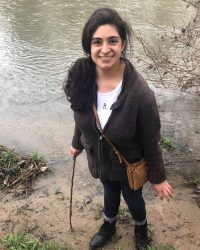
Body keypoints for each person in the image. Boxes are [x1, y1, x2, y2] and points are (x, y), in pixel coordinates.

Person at [64, 8, 173, 250]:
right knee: (109, 194)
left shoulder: (141, 94)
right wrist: (76, 143)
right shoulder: (82, 77)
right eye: (97, 42)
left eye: (112, 41)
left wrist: (158, 178)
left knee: (133, 200)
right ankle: (108, 224)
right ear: (88, 46)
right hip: (101, 163)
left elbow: (151, 140)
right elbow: (81, 115)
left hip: (129, 166)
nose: (105, 49)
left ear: (122, 43)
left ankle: (141, 227)